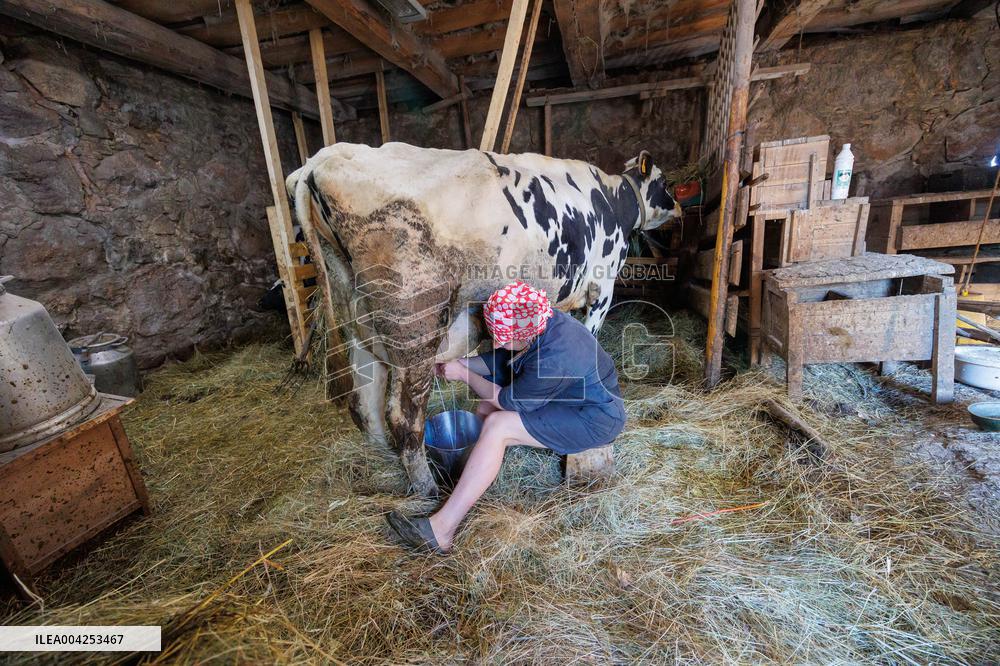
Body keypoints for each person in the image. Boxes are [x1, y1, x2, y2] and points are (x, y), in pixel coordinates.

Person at [386, 280, 626, 553]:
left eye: (503, 338)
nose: (499, 343)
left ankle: (442, 530)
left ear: (522, 336)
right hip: (569, 398)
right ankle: (473, 472)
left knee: (498, 423)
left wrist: (465, 375)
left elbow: (505, 400)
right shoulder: (543, 320)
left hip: (594, 417)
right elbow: (501, 360)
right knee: (487, 410)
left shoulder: (556, 357)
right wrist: (458, 364)